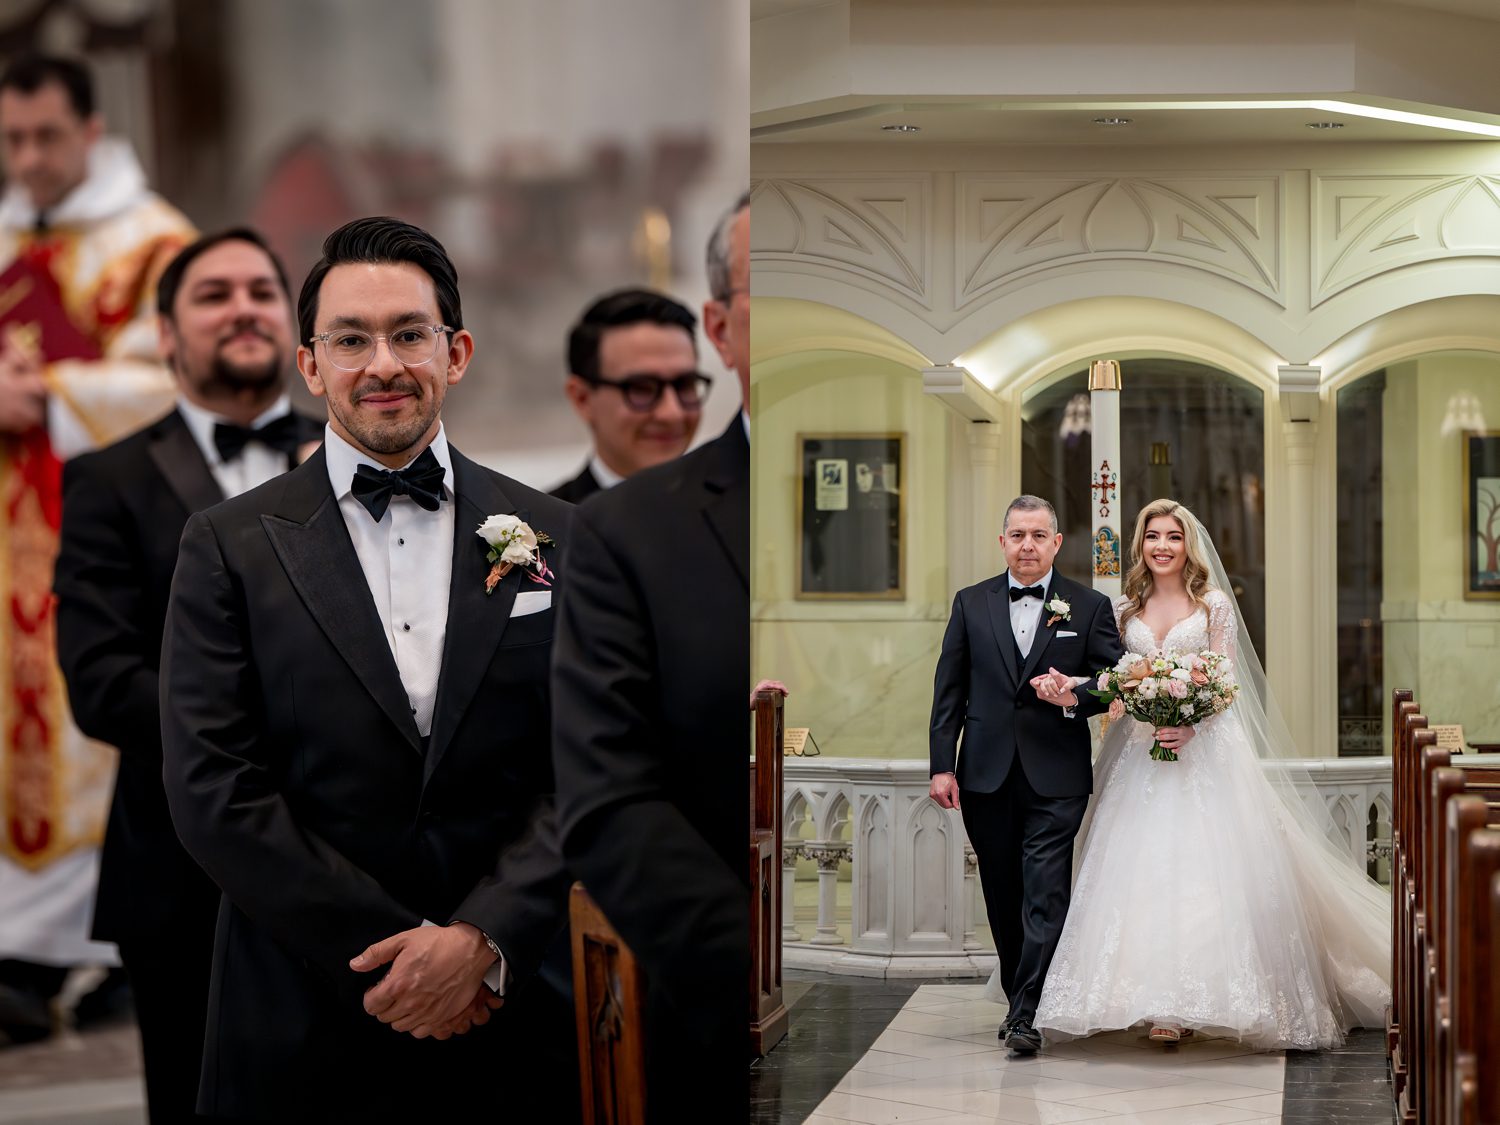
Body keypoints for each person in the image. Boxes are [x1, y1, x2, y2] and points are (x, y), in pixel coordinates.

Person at [159, 217, 575, 1122]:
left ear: (455, 351)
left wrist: (481, 939)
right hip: (303, 1012)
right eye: (350, 339)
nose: (382, 363)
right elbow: (213, 790)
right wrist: (400, 955)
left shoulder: (559, 536)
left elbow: (594, 764)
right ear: (310, 365)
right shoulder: (225, 546)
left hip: (510, 1010)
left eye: (408, 334)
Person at [53, 228, 322, 1121]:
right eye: (213, 295)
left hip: (348, 846)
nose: (243, 307)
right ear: (166, 336)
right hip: (174, 866)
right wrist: (254, 727)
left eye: (260, 290)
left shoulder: (360, 460)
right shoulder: (107, 480)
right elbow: (98, 681)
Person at [1030, 498, 1391, 1048]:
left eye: (1173, 536)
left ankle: (1195, 1000)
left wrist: (1192, 725)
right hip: (1139, 756)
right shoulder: (1124, 607)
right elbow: (1114, 681)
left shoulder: (1213, 604)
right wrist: (1069, 690)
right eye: (1152, 536)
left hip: (1206, 753)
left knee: (1209, 873)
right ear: (1140, 543)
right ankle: (1148, 1000)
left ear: (1187, 544)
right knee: (1137, 870)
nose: (1162, 546)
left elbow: (1227, 681)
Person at [0, 52, 194, 1039]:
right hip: (5, 534)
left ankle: (108, 946)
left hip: (99, 524)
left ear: (90, 130)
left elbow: (179, 375)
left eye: (45, 136)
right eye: (12, 140)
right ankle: (22, 954)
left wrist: (44, 398)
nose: (28, 159)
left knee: (98, 717)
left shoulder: (154, 243)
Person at [551, 191, 750, 1123]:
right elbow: (608, 788)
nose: (669, 409)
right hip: (698, 981)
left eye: (681, 388)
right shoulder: (617, 530)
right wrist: (757, 965)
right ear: (725, 325)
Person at [928, 494, 1124, 1054]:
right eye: (1018, 535)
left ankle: (1025, 1014)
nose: (1028, 545)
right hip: (984, 774)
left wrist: (1073, 694)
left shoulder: (1087, 607)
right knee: (1001, 891)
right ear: (1003, 541)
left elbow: (1116, 682)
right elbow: (949, 692)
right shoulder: (970, 603)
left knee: (1045, 889)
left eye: (1039, 535)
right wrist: (943, 764)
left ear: (1057, 542)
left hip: (1056, 774)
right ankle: (1021, 995)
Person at [550, 287, 706, 503]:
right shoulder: (540, 528)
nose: (672, 413)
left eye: (684, 385)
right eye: (641, 389)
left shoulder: (744, 510)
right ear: (582, 399)